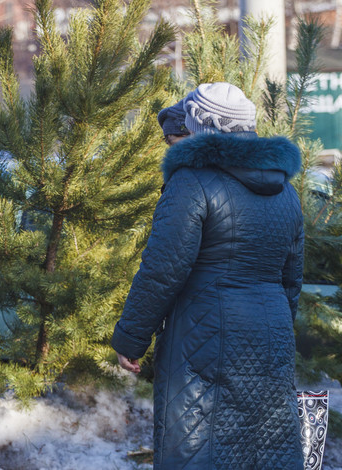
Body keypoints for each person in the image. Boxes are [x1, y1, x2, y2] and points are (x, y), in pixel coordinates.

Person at [112, 82, 305, 469]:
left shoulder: (192, 181)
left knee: (200, 450)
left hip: (205, 335)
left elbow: (162, 269)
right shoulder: (286, 189)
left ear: (200, 125)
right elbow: (292, 277)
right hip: (272, 333)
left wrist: (131, 338)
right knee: (263, 453)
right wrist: (277, 326)